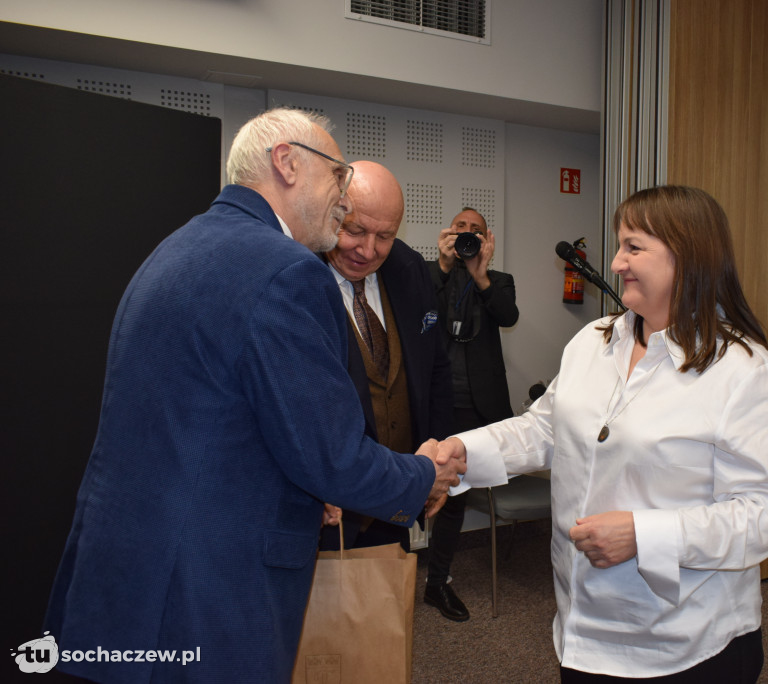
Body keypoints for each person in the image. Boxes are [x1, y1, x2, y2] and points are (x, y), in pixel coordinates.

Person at [44, 108, 464, 683]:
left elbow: (215, 419)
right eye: (338, 176)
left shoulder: (179, 246)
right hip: (202, 590)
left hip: (127, 578)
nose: (345, 201)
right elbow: (331, 456)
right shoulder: (286, 270)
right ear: (287, 162)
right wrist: (422, 475)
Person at [439, 186, 768, 682]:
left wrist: (645, 535)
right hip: (581, 629)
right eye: (619, 247)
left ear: (688, 256)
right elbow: (545, 427)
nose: (615, 263)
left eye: (633, 247)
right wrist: (463, 450)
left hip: (686, 645)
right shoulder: (593, 342)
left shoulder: (745, 372)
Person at [321, 160, 453, 551]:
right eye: (355, 230)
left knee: (385, 603)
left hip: (400, 496)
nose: (368, 250)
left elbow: (436, 373)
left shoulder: (409, 269)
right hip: (331, 507)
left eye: (385, 236)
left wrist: (436, 466)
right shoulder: (297, 276)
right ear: (333, 213)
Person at [424, 208, 519, 621]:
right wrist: (444, 266)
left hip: (481, 404)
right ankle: (425, 577)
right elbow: (417, 316)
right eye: (459, 229)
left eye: (474, 231)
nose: (466, 236)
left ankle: (436, 581)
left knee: (456, 498)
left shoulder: (497, 281)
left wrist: (481, 276)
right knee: (432, 494)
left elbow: (508, 316)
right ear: (447, 233)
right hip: (437, 400)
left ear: (486, 240)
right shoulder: (431, 275)